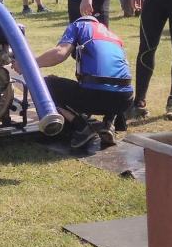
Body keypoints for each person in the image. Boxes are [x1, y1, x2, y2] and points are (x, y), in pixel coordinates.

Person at [24, 15, 133, 150]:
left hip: (95, 95)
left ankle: (82, 128)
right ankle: (108, 124)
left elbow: (60, 52)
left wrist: (28, 64)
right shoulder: (113, 36)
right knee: (111, 84)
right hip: (124, 100)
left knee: (45, 85)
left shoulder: (78, 26)